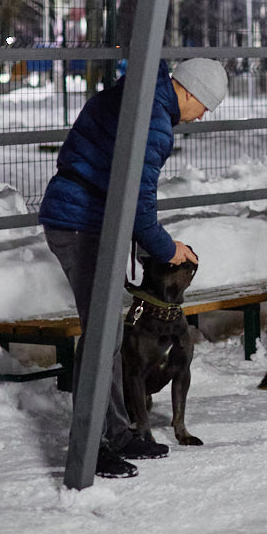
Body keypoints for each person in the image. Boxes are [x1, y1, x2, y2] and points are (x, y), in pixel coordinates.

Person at [39, 57, 227, 478]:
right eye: (205, 106)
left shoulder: (140, 98)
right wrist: (167, 249)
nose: (201, 117)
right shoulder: (153, 120)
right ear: (189, 91)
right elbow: (140, 204)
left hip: (84, 218)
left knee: (108, 334)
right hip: (81, 223)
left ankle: (118, 433)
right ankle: (93, 445)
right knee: (103, 337)